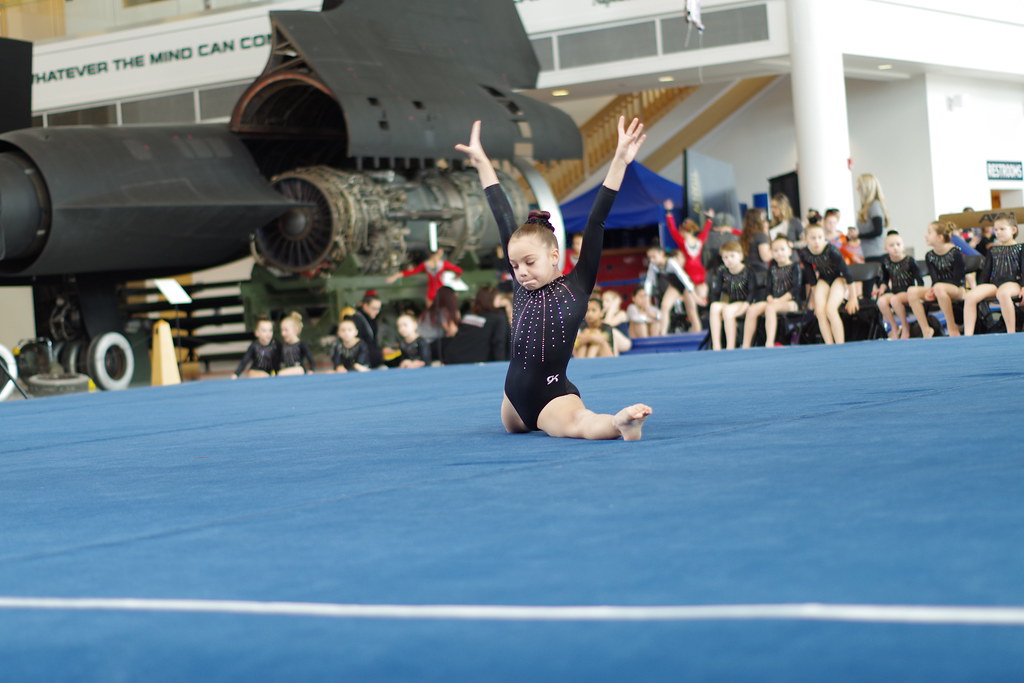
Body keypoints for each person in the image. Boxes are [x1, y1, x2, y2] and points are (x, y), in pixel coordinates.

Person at [455, 115, 652, 440]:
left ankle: (621, 423)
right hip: (513, 407)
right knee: (522, 426)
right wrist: (482, 164)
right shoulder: (520, 282)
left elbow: (596, 221)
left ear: (554, 256)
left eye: (530, 262)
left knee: (580, 425)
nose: (521, 272)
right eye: (515, 265)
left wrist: (618, 161)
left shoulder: (577, 285)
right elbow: (502, 213)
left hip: (551, 398)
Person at [963, 213, 1024, 336]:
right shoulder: (992, 249)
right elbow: (986, 272)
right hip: (995, 284)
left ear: (1013, 229)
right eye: (996, 229)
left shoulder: (1021, 247)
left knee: (1003, 293)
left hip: (1014, 283)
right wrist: (980, 287)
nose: (998, 232)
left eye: (1002, 229)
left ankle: (1011, 333)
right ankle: (967, 335)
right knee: (970, 296)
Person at [906, 221, 966, 338]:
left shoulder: (956, 252)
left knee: (939, 287)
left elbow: (958, 279)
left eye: (929, 232)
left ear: (940, 237)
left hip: (957, 289)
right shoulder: (930, 255)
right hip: (939, 289)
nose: (925, 235)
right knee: (912, 291)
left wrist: (936, 288)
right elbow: (935, 278)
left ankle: (951, 326)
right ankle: (926, 329)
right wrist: (932, 290)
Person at [742, 236, 803, 348]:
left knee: (770, 308)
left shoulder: (795, 267)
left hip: (791, 302)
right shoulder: (772, 268)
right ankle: (746, 344)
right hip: (774, 300)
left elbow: (795, 289)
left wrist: (779, 300)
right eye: (775, 250)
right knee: (752, 309)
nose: (779, 253)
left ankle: (769, 343)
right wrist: (769, 297)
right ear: (771, 253)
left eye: (782, 249)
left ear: (789, 251)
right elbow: (769, 287)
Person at [798, 224, 852, 344]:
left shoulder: (831, 250)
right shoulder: (804, 253)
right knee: (820, 312)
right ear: (806, 239)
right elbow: (811, 278)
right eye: (813, 238)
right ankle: (829, 344)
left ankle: (840, 344)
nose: (817, 241)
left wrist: (853, 297)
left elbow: (848, 274)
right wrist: (816, 301)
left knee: (831, 310)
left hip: (839, 279)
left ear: (824, 237)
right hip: (823, 280)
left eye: (820, 237)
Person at [872, 231, 925, 339]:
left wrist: (918, 295)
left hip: (908, 292)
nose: (895, 248)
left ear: (903, 246)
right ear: (885, 249)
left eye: (898, 244)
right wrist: (881, 288)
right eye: (891, 246)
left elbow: (920, 281)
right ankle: (894, 326)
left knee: (894, 300)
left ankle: (905, 327)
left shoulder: (910, 261)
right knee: (881, 301)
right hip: (895, 292)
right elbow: (884, 280)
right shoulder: (886, 262)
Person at [441, 285, 511, 364]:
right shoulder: (498, 318)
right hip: (473, 361)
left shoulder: (469, 314)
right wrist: (500, 365)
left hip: (453, 356)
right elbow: (499, 343)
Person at [644, 244, 703, 334]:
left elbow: (683, 277)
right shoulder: (653, 265)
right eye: (650, 258)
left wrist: (694, 295)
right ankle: (663, 333)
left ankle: (698, 332)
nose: (652, 260)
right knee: (664, 306)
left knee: (691, 311)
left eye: (654, 257)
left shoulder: (671, 262)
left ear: (661, 254)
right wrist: (647, 302)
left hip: (686, 286)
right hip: (675, 286)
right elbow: (649, 281)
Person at [707, 241, 755, 351]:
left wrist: (745, 306)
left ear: (741, 256)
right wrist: (714, 304)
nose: (729, 260)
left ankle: (730, 346)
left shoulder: (748, 271)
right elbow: (716, 292)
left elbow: (752, 292)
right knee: (714, 307)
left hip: (744, 302)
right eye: (725, 257)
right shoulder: (722, 271)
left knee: (728, 310)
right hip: (730, 303)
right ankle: (716, 346)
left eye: (732, 256)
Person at [664, 199, 713, 300]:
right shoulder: (699, 240)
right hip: (700, 272)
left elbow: (672, 229)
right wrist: (709, 219)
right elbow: (706, 231)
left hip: (687, 272)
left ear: (682, 230)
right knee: (702, 298)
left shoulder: (682, 241)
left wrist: (669, 212)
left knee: (689, 298)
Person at [386, 248, 463, 304]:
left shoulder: (426, 265)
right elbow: (459, 270)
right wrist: (457, 277)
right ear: (439, 253)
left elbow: (411, 272)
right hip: (440, 291)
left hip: (431, 292)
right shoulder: (443, 264)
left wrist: (396, 276)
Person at [418, 285, 460, 363]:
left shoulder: (430, 311)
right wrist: (455, 315)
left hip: (422, 344)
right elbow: (453, 332)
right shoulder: (443, 311)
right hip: (430, 345)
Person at [855, 173, 890, 262]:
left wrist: (858, 236)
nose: (857, 189)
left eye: (859, 186)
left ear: (866, 188)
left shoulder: (874, 205)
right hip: (870, 253)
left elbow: (878, 231)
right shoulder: (867, 206)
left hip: (877, 254)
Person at [350, 292, 385, 367]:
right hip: (362, 362)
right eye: (374, 308)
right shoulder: (356, 320)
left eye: (379, 309)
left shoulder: (372, 319)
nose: (377, 312)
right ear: (365, 306)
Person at [278, 311, 315, 375]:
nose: (283, 333)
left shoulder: (301, 345)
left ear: (295, 330)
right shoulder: (283, 346)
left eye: (286, 330)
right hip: (287, 370)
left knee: (282, 373)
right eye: (282, 330)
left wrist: (312, 369)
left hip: (299, 370)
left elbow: (310, 357)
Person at [740, 207, 772, 275]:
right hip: (760, 271)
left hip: (746, 270)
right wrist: (776, 250)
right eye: (763, 219)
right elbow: (765, 257)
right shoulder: (761, 236)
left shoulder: (744, 236)